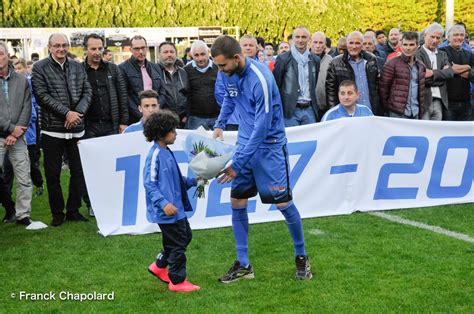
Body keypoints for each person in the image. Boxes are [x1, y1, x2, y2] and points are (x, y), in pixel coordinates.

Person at [211, 35, 312, 283]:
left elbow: (262, 127)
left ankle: (302, 258)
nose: (219, 70)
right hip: (246, 144)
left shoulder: (261, 80)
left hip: (269, 147)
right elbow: (229, 98)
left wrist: (238, 162)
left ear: (237, 58)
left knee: (282, 204)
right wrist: (220, 124)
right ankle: (244, 265)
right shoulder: (228, 74)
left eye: (222, 65)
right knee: (237, 201)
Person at [31, 33, 92, 227]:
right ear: (49, 47)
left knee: (78, 171)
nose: (61, 49)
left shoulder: (77, 66)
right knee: (53, 174)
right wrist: (66, 113)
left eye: (64, 45)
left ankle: (73, 210)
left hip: (76, 128)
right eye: (57, 45)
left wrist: (77, 113)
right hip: (52, 130)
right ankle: (57, 213)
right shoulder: (39, 67)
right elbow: (41, 95)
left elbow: (87, 91)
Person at [143, 110, 200, 293]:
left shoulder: (167, 152)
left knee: (184, 237)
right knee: (177, 244)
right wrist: (164, 203)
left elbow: (177, 180)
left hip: (177, 209)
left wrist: (194, 181)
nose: (176, 133)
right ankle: (177, 281)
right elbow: (149, 184)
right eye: (173, 130)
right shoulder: (154, 156)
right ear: (161, 133)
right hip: (167, 211)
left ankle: (159, 265)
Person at [0, 41, 33, 226]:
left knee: (23, 176)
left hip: (18, 137)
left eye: (1, 54)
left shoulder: (21, 80)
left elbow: (27, 106)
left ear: (7, 56)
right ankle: (8, 209)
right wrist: (11, 128)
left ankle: (23, 214)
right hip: (2, 134)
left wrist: (17, 130)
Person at [273, 26, 320, 127]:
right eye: (297, 37)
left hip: (309, 109)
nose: (300, 40)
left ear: (308, 39)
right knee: (291, 141)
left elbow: (314, 83)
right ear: (293, 39)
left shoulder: (315, 59)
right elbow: (276, 84)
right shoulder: (283, 59)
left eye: (304, 37)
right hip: (290, 111)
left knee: (310, 140)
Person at [326, 31, 381, 115]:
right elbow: (331, 91)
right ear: (346, 44)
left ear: (362, 44)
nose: (354, 46)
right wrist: (335, 113)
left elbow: (377, 86)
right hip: (347, 113)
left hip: (370, 111)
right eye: (351, 43)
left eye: (357, 43)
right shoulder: (335, 62)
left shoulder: (371, 59)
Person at [13, 59, 44, 197]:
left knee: (32, 163)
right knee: (13, 167)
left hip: (28, 133)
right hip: (14, 132)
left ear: (26, 68)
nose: (17, 71)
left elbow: (32, 113)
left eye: (20, 68)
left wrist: (20, 123)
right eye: (15, 69)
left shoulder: (30, 85)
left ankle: (38, 184)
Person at [119, 35, 166, 124]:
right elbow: (125, 97)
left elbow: (162, 91)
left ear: (147, 48)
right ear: (131, 49)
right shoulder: (122, 68)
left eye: (143, 48)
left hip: (155, 117)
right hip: (135, 119)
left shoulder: (155, 67)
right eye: (136, 49)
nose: (140, 51)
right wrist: (142, 114)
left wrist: (155, 110)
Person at [379, 32, 426, 119]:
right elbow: (383, 89)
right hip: (397, 113)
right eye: (405, 44)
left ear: (417, 46)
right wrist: (391, 108)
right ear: (401, 45)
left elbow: (421, 92)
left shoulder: (421, 66)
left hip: (416, 112)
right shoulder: (391, 63)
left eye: (411, 44)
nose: (408, 48)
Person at [415, 23, 453, 121]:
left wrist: (432, 73)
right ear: (425, 36)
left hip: (440, 101)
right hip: (424, 100)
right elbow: (422, 78)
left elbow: (450, 73)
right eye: (432, 37)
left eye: (438, 38)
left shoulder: (442, 54)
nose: (435, 40)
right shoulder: (417, 54)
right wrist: (441, 75)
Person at [439, 24, 474, 121]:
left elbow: (473, 76)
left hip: (466, 102)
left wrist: (454, 69)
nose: (459, 37)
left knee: (465, 134)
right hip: (448, 103)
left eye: (461, 35)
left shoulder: (469, 54)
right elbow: (449, 70)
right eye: (455, 35)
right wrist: (467, 67)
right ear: (448, 37)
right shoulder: (442, 52)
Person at [183, 40, 220, 130]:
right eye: (196, 55)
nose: (200, 58)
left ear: (208, 53)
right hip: (195, 118)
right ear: (191, 55)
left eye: (203, 54)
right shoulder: (186, 70)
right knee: (196, 144)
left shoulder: (218, 68)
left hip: (217, 117)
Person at [157, 41, 189, 128]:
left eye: (172, 52)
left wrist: (187, 115)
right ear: (159, 54)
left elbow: (189, 94)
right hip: (163, 121)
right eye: (165, 52)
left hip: (183, 121)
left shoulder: (183, 72)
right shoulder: (154, 72)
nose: (169, 54)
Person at [310, 31, 333, 117]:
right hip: (308, 108)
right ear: (310, 43)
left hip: (325, 107)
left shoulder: (330, 60)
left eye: (321, 43)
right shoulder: (304, 59)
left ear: (325, 45)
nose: (318, 46)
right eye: (315, 42)